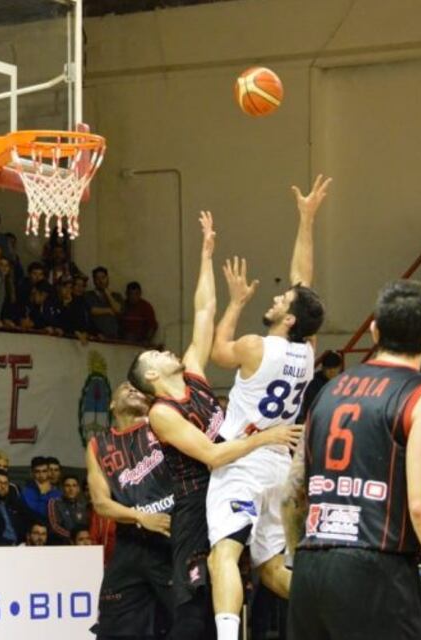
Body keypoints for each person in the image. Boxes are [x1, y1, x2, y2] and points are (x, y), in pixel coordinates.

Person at [127, 211, 301, 640]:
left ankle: (331, 616)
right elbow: (212, 454)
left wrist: (207, 253)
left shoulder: (192, 374)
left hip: (236, 477)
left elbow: (204, 310)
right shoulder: (162, 412)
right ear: (151, 376)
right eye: (155, 355)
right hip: (195, 499)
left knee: (271, 570)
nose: (165, 350)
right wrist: (267, 437)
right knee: (194, 599)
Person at [283, 279, 421, 639]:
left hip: (310, 565)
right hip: (376, 567)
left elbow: (292, 494)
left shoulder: (327, 391)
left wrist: (303, 563)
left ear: (374, 331)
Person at [204, 175, 328, 639]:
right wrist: (306, 219)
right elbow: (305, 282)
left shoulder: (256, 346)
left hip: (242, 460)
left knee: (225, 555)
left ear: (289, 318)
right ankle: (339, 620)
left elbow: (219, 352)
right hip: (278, 467)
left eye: (282, 300)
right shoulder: (306, 351)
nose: (277, 296)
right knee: (273, 570)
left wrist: (235, 304)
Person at [87, 382, 175, 639]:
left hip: (172, 537)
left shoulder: (161, 425)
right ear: (111, 404)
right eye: (126, 387)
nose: (133, 389)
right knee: (114, 624)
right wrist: (140, 517)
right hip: (130, 542)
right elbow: (101, 503)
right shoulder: (98, 444)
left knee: (189, 620)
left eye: (138, 389)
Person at [47, 475, 90, 545]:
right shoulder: (54, 503)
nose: (71, 489)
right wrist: (72, 537)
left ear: (78, 489)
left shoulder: (83, 506)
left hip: (80, 545)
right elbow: (54, 526)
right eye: (67, 486)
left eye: (74, 486)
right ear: (62, 488)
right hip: (61, 544)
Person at [21, 456, 61, 522]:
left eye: (44, 471)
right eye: (37, 472)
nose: (41, 475)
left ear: (48, 472)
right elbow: (39, 517)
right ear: (32, 473)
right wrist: (43, 494)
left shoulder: (57, 492)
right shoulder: (26, 493)